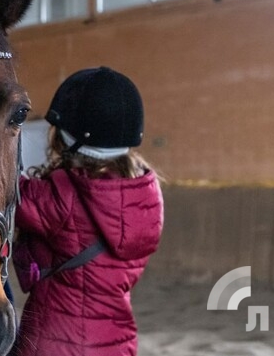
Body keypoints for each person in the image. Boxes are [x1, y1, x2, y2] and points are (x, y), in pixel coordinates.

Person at [11, 66, 164, 356]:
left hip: (53, 344)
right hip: (117, 343)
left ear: (67, 139)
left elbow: (5, 189)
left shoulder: (61, 197)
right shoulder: (145, 196)